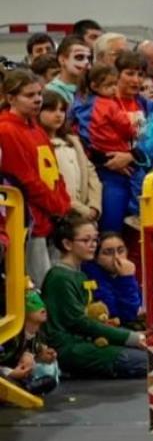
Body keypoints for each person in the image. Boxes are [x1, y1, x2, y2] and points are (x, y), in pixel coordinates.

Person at [40, 215, 148, 378]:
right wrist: (130, 337)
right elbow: (80, 323)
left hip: (86, 341)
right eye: (86, 240)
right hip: (71, 347)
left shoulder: (78, 274)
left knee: (151, 352)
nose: (93, 245)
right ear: (67, 244)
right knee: (149, 360)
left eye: (95, 240)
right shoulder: (59, 277)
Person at [0, 70, 73, 284]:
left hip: (50, 217)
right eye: (29, 95)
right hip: (31, 221)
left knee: (55, 281)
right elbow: (25, 181)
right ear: (11, 98)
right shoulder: (6, 131)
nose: (38, 100)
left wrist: (63, 203)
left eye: (39, 94)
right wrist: (57, 206)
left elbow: (53, 173)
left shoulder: (36, 129)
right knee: (39, 285)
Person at [84, 54, 150, 234]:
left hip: (139, 172)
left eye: (141, 74)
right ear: (117, 75)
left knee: (142, 233)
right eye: (130, 73)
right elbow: (85, 137)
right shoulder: (98, 104)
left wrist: (131, 156)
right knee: (110, 230)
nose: (136, 80)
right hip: (108, 174)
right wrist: (107, 159)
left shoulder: (146, 105)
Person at [40, 90, 99, 223]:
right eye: (51, 110)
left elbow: (91, 174)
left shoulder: (73, 142)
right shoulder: (38, 144)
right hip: (57, 214)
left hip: (85, 213)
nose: (58, 115)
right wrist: (78, 208)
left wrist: (94, 207)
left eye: (62, 110)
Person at [0, 291, 59, 397]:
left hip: (19, 374)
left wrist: (40, 357)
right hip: (5, 372)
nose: (42, 307)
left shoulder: (37, 336)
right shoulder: (9, 335)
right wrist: (10, 373)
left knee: (49, 377)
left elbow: (30, 353)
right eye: (33, 302)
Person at [83, 231, 144, 327]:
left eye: (121, 251)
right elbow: (122, 315)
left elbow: (140, 306)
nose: (116, 257)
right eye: (108, 253)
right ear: (96, 257)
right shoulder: (91, 275)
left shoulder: (124, 271)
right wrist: (127, 279)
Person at [46, 36, 91, 105]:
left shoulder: (92, 88)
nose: (86, 62)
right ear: (62, 60)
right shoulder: (51, 91)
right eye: (79, 57)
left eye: (89, 58)